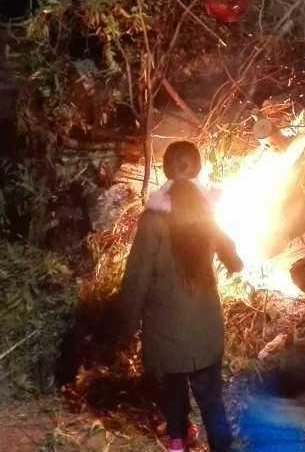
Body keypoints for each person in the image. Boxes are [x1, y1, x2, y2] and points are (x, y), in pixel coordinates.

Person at [117, 140, 243, 451]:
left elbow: (137, 278)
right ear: (198, 168)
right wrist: (234, 262)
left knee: (172, 390)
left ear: (164, 169)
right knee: (211, 400)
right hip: (205, 329)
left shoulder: (153, 220)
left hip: (165, 331)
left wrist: (123, 328)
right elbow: (229, 251)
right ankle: (221, 447)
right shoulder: (205, 212)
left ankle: (178, 440)